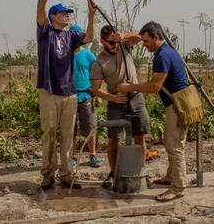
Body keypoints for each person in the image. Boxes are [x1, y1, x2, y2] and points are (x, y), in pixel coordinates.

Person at [36, 0, 97, 191]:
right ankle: (48, 175)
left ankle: (67, 174)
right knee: (50, 136)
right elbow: (40, 6)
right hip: (49, 91)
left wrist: (91, 15)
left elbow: (90, 37)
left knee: (68, 137)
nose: (67, 15)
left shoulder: (71, 36)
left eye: (68, 13)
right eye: (63, 13)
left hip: (70, 92)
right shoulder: (45, 32)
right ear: (53, 16)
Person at [117, 21, 190, 202]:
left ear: (156, 37)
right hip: (179, 104)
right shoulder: (167, 51)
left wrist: (130, 87)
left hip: (177, 106)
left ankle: (178, 187)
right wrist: (125, 35)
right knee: (171, 143)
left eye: (147, 41)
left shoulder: (162, 56)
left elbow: (155, 87)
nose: (144, 45)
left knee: (175, 148)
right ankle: (171, 177)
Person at [91, 25, 150, 189]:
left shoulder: (124, 46)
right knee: (114, 138)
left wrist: (122, 36)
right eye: (110, 42)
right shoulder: (99, 62)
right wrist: (113, 98)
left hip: (136, 98)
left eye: (115, 41)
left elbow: (139, 35)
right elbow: (96, 89)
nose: (114, 45)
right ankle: (113, 172)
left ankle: (140, 172)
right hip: (116, 102)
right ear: (102, 41)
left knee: (140, 136)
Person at [69, 24, 102, 168]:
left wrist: (98, 94)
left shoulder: (88, 56)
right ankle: (73, 157)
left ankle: (93, 155)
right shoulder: (65, 55)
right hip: (69, 97)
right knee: (71, 129)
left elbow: (97, 76)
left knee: (91, 127)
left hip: (86, 96)